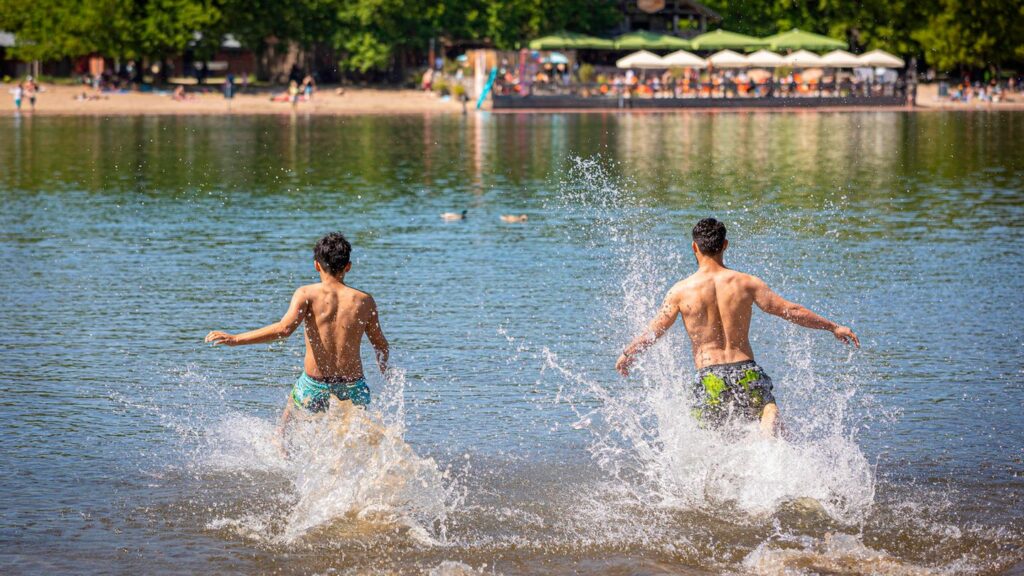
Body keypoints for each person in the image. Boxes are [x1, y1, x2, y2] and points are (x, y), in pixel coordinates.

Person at [615, 218, 859, 436]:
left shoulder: (680, 291)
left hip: (709, 377)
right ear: (725, 245)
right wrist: (833, 327)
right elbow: (790, 311)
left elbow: (654, 331)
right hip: (746, 372)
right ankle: (768, 427)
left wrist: (629, 353)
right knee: (769, 417)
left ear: (694, 248)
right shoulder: (746, 283)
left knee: (713, 442)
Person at [205, 233, 390, 447]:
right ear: (348, 266)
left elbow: (283, 330)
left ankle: (284, 457)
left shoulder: (307, 294)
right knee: (356, 443)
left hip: (314, 386)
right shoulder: (364, 301)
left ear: (316, 266)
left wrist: (235, 339)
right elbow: (380, 344)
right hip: (354, 387)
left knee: (283, 432)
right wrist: (384, 368)